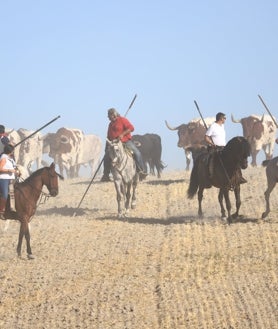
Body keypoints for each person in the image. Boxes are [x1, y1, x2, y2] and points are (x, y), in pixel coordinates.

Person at [101, 108, 148, 182]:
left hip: (125, 141)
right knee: (106, 157)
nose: (108, 117)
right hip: (114, 143)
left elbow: (131, 128)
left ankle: (141, 171)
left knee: (137, 153)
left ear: (113, 115)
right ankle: (106, 175)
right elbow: (108, 137)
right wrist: (106, 148)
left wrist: (122, 134)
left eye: (109, 115)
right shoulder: (110, 124)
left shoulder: (123, 120)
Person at [205, 112, 247, 184]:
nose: (225, 120)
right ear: (221, 118)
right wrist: (211, 144)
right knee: (212, 159)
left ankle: (239, 177)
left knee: (235, 158)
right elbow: (206, 137)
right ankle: (210, 175)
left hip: (223, 147)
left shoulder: (222, 126)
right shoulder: (213, 126)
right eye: (225, 118)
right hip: (215, 148)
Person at [0, 144, 20, 219]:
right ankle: (1, 211)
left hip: (10, 179)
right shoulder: (4, 157)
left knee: (13, 194)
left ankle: (11, 209)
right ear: (10, 151)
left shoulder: (10, 158)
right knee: (5, 195)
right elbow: (0, 168)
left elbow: (14, 167)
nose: (13, 152)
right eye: (13, 150)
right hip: (3, 179)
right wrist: (9, 170)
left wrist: (17, 172)